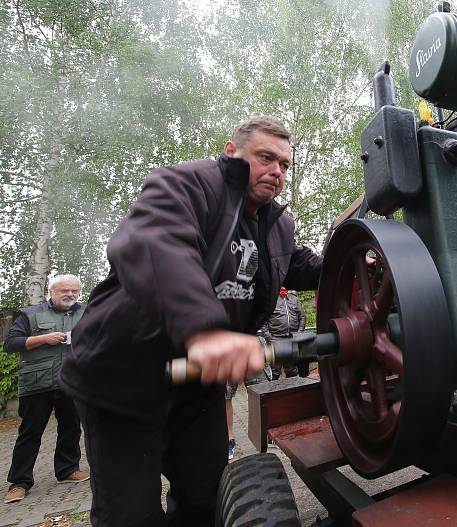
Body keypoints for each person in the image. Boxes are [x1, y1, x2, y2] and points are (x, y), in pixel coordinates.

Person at [59, 116, 322, 526]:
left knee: (204, 503)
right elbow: (155, 243)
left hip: (198, 389)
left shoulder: (277, 225)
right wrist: (206, 331)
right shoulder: (186, 184)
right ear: (231, 151)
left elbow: (300, 265)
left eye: (285, 164)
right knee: (131, 515)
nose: (277, 171)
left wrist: (372, 260)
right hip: (122, 382)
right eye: (266, 157)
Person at [3, 274, 90, 505]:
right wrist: (43, 339)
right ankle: (19, 482)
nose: (70, 295)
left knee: (71, 427)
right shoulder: (30, 314)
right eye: (65, 291)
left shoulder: (87, 312)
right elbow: (10, 344)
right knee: (31, 432)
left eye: (74, 291)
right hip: (37, 383)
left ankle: (68, 470)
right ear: (51, 292)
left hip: (72, 380)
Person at [224, 286, 308, 460]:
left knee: (263, 389)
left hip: (253, 339)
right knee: (226, 395)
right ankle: (228, 439)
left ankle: (268, 433)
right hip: (225, 341)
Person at [265, 287, 307, 379]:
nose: (283, 287)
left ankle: (293, 390)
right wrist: (269, 337)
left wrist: (299, 334)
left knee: (292, 369)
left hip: (291, 338)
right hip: (276, 339)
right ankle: (272, 392)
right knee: (275, 370)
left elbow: (302, 317)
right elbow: (263, 321)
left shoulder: (294, 299)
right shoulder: (271, 300)